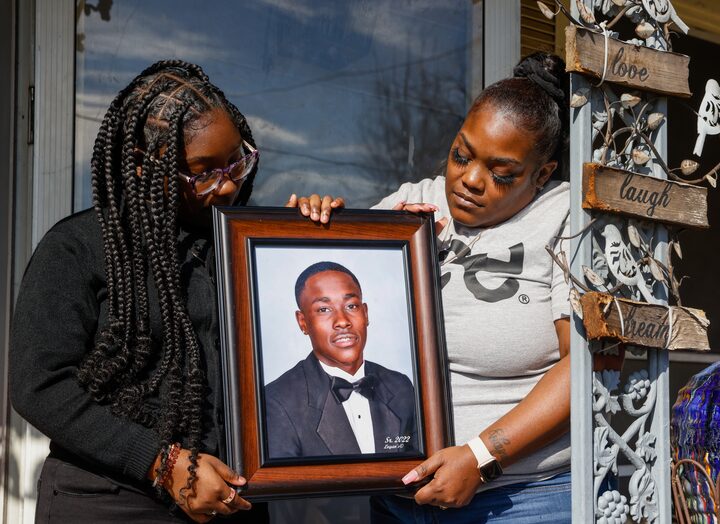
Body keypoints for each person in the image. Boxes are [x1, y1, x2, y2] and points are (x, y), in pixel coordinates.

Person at [296, 52, 573, 523]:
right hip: (399, 499)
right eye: (461, 154)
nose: (469, 179)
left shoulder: (565, 217)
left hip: (522, 499)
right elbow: (328, 302)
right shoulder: (411, 203)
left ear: (542, 174)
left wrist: (482, 457)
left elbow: (585, 368)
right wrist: (311, 226)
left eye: (501, 173)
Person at [9, 60, 274, 523]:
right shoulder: (79, 247)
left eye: (238, 160)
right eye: (204, 172)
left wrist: (311, 235)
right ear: (140, 165)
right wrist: (165, 463)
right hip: (109, 502)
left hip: (233, 500)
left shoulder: (240, 246)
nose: (229, 184)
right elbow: (39, 386)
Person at [264, 261, 419, 459]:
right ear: (303, 322)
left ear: (365, 313)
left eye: (351, 306)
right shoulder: (277, 401)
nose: (343, 321)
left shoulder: (400, 386)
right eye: (324, 309)